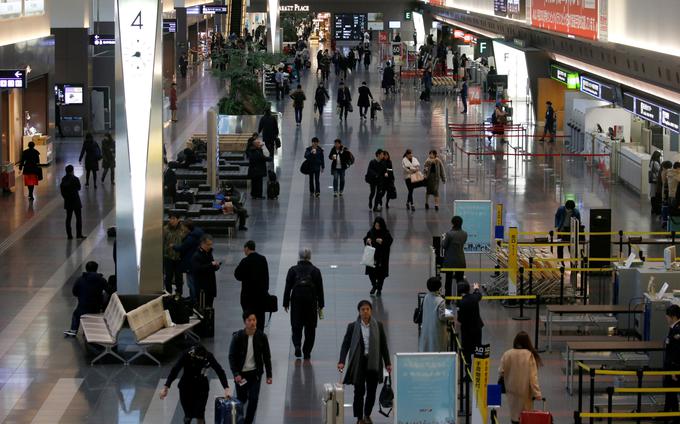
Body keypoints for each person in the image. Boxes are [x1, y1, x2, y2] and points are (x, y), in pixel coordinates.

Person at [338, 300, 391, 424]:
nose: (365, 311)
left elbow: (383, 346)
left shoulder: (378, 325)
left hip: (373, 362)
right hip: (359, 362)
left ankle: (367, 414)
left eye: (367, 309)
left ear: (371, 310)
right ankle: (359, 417)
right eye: (363, 309)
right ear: (359, 311)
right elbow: (345, 345)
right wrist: (341, 361)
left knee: (371, 392)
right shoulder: (352, 326)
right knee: (359, 392)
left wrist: (388, 363)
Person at [160, 344, 231, 424]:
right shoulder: (186, 355)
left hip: (202, 389)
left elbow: (220, 371)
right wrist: (166, 387)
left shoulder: (208, 356)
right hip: (186, 388)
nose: (202, 359)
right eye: (200, 358)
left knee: (200, 415)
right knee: (188, 416)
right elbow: (175, 370)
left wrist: (226, 388)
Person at [229, 311, 273, 424]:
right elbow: (231, 356)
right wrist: (236, 373)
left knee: (254, 399)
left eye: (254, 320)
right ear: (245, 322)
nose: (252, 323)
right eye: (249, 320)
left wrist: (269, 375)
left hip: (255, 374)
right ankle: (239, 419)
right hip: (241, 375)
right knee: (241, 399)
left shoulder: (262, 337)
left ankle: (248, 422)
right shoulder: (238, 337)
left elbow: (267, 357)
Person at [283, 248, 325, 359]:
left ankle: (297, 345)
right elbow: (320, 289)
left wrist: (285, 302)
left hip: (296, 302)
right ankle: (307, 351)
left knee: (296, 325)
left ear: (299, 256)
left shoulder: (292, 270)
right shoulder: (315, 271)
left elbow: (288, 287)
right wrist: (321, 305)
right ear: (310, 257)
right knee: (310, 327)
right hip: (311, 303)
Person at [499, 331, 543, 424]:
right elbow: (533, 377)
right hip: (525, 392)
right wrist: (537, 393)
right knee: (525, 417)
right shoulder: (529, 355)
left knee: (514, 416)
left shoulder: (507, 354)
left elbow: (501, 371)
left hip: (511, 390)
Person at [64, 261, 108, 336]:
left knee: (76, 314)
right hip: (96, 308)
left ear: (86, 269)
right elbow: (109, 290)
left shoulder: (80, 279)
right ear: (96, 269)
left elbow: (74, 292)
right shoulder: (101, 280)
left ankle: (73, 330)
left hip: (83, 308)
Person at [233, 240, 270, 331]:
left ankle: (250, 334)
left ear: (247, 248)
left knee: (249, 318)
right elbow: (266, 276)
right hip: (261, 296)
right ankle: (260, 335)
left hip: (247, 296)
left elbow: (237, 275)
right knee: (260, 318)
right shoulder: (262, 259)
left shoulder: (245, 261)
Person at [174, 220, 204, 304]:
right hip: (195, 261)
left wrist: (174, 246)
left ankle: (193, 299)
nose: (182, 228)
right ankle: (193, 297)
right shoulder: (198, 233)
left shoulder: (191, 237)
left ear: (187, 227)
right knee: (193, 281)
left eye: (183, 227)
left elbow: (182, 247)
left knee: (191, 282)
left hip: (190, 262)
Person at [419, 277, 451, 352]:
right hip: (437, 330)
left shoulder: (426, 297)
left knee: (428, 348)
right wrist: (451, 316)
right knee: (437, 349)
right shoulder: (441, 301)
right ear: (439, 287)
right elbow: (442, 316)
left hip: (427, 328)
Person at [363, 217, 393, 296]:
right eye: (376, 225)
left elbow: (389, 241)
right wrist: (367, 240)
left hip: (382, 257)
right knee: (371, 273)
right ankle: (374, 286)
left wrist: (382, 242)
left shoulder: (386, 233)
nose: (377, 227)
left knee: (381, 275)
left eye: (378, 226)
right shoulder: (371, 231)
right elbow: (366, 238)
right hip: (372, 256)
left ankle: (379, 288)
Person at [457, 281, 483, 368]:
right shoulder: (474, 298)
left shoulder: (461, 303)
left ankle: (468, 376)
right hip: (477, 329)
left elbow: (460, 319)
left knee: (467, 353)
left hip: (467, 331)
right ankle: (478, 373)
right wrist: (476, 288)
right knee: (478, 350)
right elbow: (479, 295)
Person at [191, 235, 221, 308]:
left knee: (210, 308)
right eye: (208, 244)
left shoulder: (209, 253)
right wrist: (211, 264)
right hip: (202, 288)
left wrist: (216, 266)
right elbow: (197, 269)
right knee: (203, 308)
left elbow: (210, 268)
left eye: (211, 244)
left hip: (210, 286)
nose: (210, 246)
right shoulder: (197, 256)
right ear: (202, 244)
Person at [442, 216, 468, 298]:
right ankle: (459, 298)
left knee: (448, 280)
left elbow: (444, 245)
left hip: (450, 261)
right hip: (461, 260)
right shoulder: (465, 234)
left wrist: (443, 238)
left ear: (452, 223)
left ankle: (448, 299)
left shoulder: (449, 234)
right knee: (460, 280)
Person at [164, 213, 188, 295]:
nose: (172, 220)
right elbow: (162, 242)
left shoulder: (184, 230)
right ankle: (168, 294)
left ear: (178, 220)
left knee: (179, 278)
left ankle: (179, 295)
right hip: (168, 257)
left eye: (174, 219)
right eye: (170, 219)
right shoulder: (165, 229)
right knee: (168, 277)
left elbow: (187, 242)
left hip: (179, 257)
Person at [663, 305, 680, 416]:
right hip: (669, 366)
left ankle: (674, 415)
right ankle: (667, 413)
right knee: (668, 391)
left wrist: (674, 370)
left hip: (673, 367)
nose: (666, 318)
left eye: (667, 316)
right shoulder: (674, 328)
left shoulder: (678, 330)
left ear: (673, 317)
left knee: (672, 392)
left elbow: (677, 353)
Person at [60, 165, 84, 240]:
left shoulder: (63, 179)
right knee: (78, 218)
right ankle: (79, 235)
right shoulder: (75, 179)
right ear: (72, 170)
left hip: (68, 201)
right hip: (76, 201)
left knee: (68, 218)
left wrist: (65, 198)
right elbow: (79, 188)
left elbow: (62, 191)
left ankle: (69, 235)